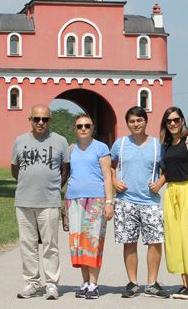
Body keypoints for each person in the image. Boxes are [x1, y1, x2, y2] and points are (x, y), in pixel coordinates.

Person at [11, 104, 70, 300]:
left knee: (50, 245)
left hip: (49, 201)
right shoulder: (20, 141)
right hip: (24, 201)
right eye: (36, 119)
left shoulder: (60, 141)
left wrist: (51, 187)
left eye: (45, 119)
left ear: (50, 120)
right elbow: (15, 170)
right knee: (27, 244)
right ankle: (32, 283)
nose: (40, 122)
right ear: (30, 120)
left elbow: (65, 171)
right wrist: (28, 183)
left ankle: (51, 284)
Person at [110, 106, 169, 299]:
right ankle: (133, 283)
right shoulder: (120, 144)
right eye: (132, 121)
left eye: (139, 120)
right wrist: (114, 181)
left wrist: (160, 183)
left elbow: (167, 169)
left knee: (155, 241)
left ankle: (152, 283)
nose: (136, 124)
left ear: (145, 121)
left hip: (150, 201)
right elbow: (110, 167)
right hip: (126, 200)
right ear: (127, 124)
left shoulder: (156, 145)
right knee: (129, 242)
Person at [159, 106, 188, 299]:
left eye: (176, 120)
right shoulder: (167, 144)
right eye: (169, 121)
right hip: (172, 192)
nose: (173, 123)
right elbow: (166, 171)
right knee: (176, 239)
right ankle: (185, 284)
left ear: (182, 121)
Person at [64, 114, 113, 299]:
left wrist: (109, 202)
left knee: (92, 242)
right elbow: (67, 175)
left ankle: (94, 284)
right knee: (78, 243)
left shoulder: (101, 148)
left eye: (87, 125)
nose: (83, 128)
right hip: (74, 200)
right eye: (79, 126)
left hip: (96, 200)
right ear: (75, 129)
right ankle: (84, 282)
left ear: (93, 127)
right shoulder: (71, 149)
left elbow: (108, 176)